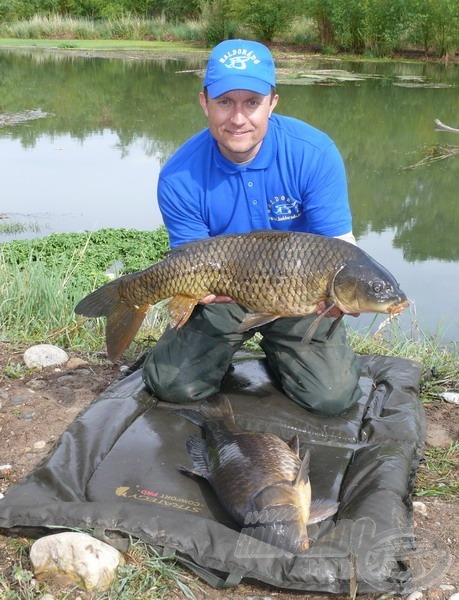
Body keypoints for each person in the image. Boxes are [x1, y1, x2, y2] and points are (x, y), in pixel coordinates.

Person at [142, 39, 362, 416]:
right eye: (225, 102)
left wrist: (347, 296)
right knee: (172, 385)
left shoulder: (314, 153)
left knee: (331, 397)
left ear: (272, 102)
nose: (238, 118)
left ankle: (285, 354)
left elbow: (340, 249)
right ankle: (217, 351)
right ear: (204, 103)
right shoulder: (178, 175)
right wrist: (192, 293)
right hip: (223, 292)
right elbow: (189, 261)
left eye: (252, 103)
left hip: (299, 294)